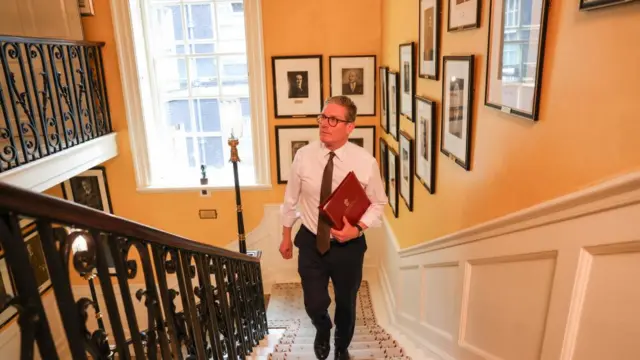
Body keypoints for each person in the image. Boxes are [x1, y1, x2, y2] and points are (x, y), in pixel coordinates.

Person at [279, 95, 388, 360]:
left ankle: (341, 346)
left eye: (333, 119)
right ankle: (322, 328)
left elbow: (379, 204)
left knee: (347, 303)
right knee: (314, 303)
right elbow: (290, 199)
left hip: (348, 246)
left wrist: (358, 228)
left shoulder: (365, 162)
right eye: (323, 117)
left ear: (349, 127)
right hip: (311, 240)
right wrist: (285, 235)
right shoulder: (303, 156)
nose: (325, 124)